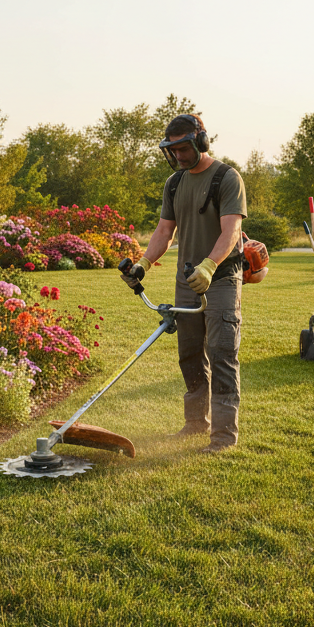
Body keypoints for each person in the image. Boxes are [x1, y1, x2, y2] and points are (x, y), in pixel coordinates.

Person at [121, 113, 247, 453]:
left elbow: (231, 229)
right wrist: (143, 263)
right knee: (189, 354)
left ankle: (223, 437)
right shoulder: (174, 183)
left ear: (201, 141)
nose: (178, 156)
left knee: (221, 353)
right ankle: (194, 424)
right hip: (186, 281)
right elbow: (165, 231)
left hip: (219, 278)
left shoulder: (226, 177)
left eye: (183, 148)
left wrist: (209, 265)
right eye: (172, 150)